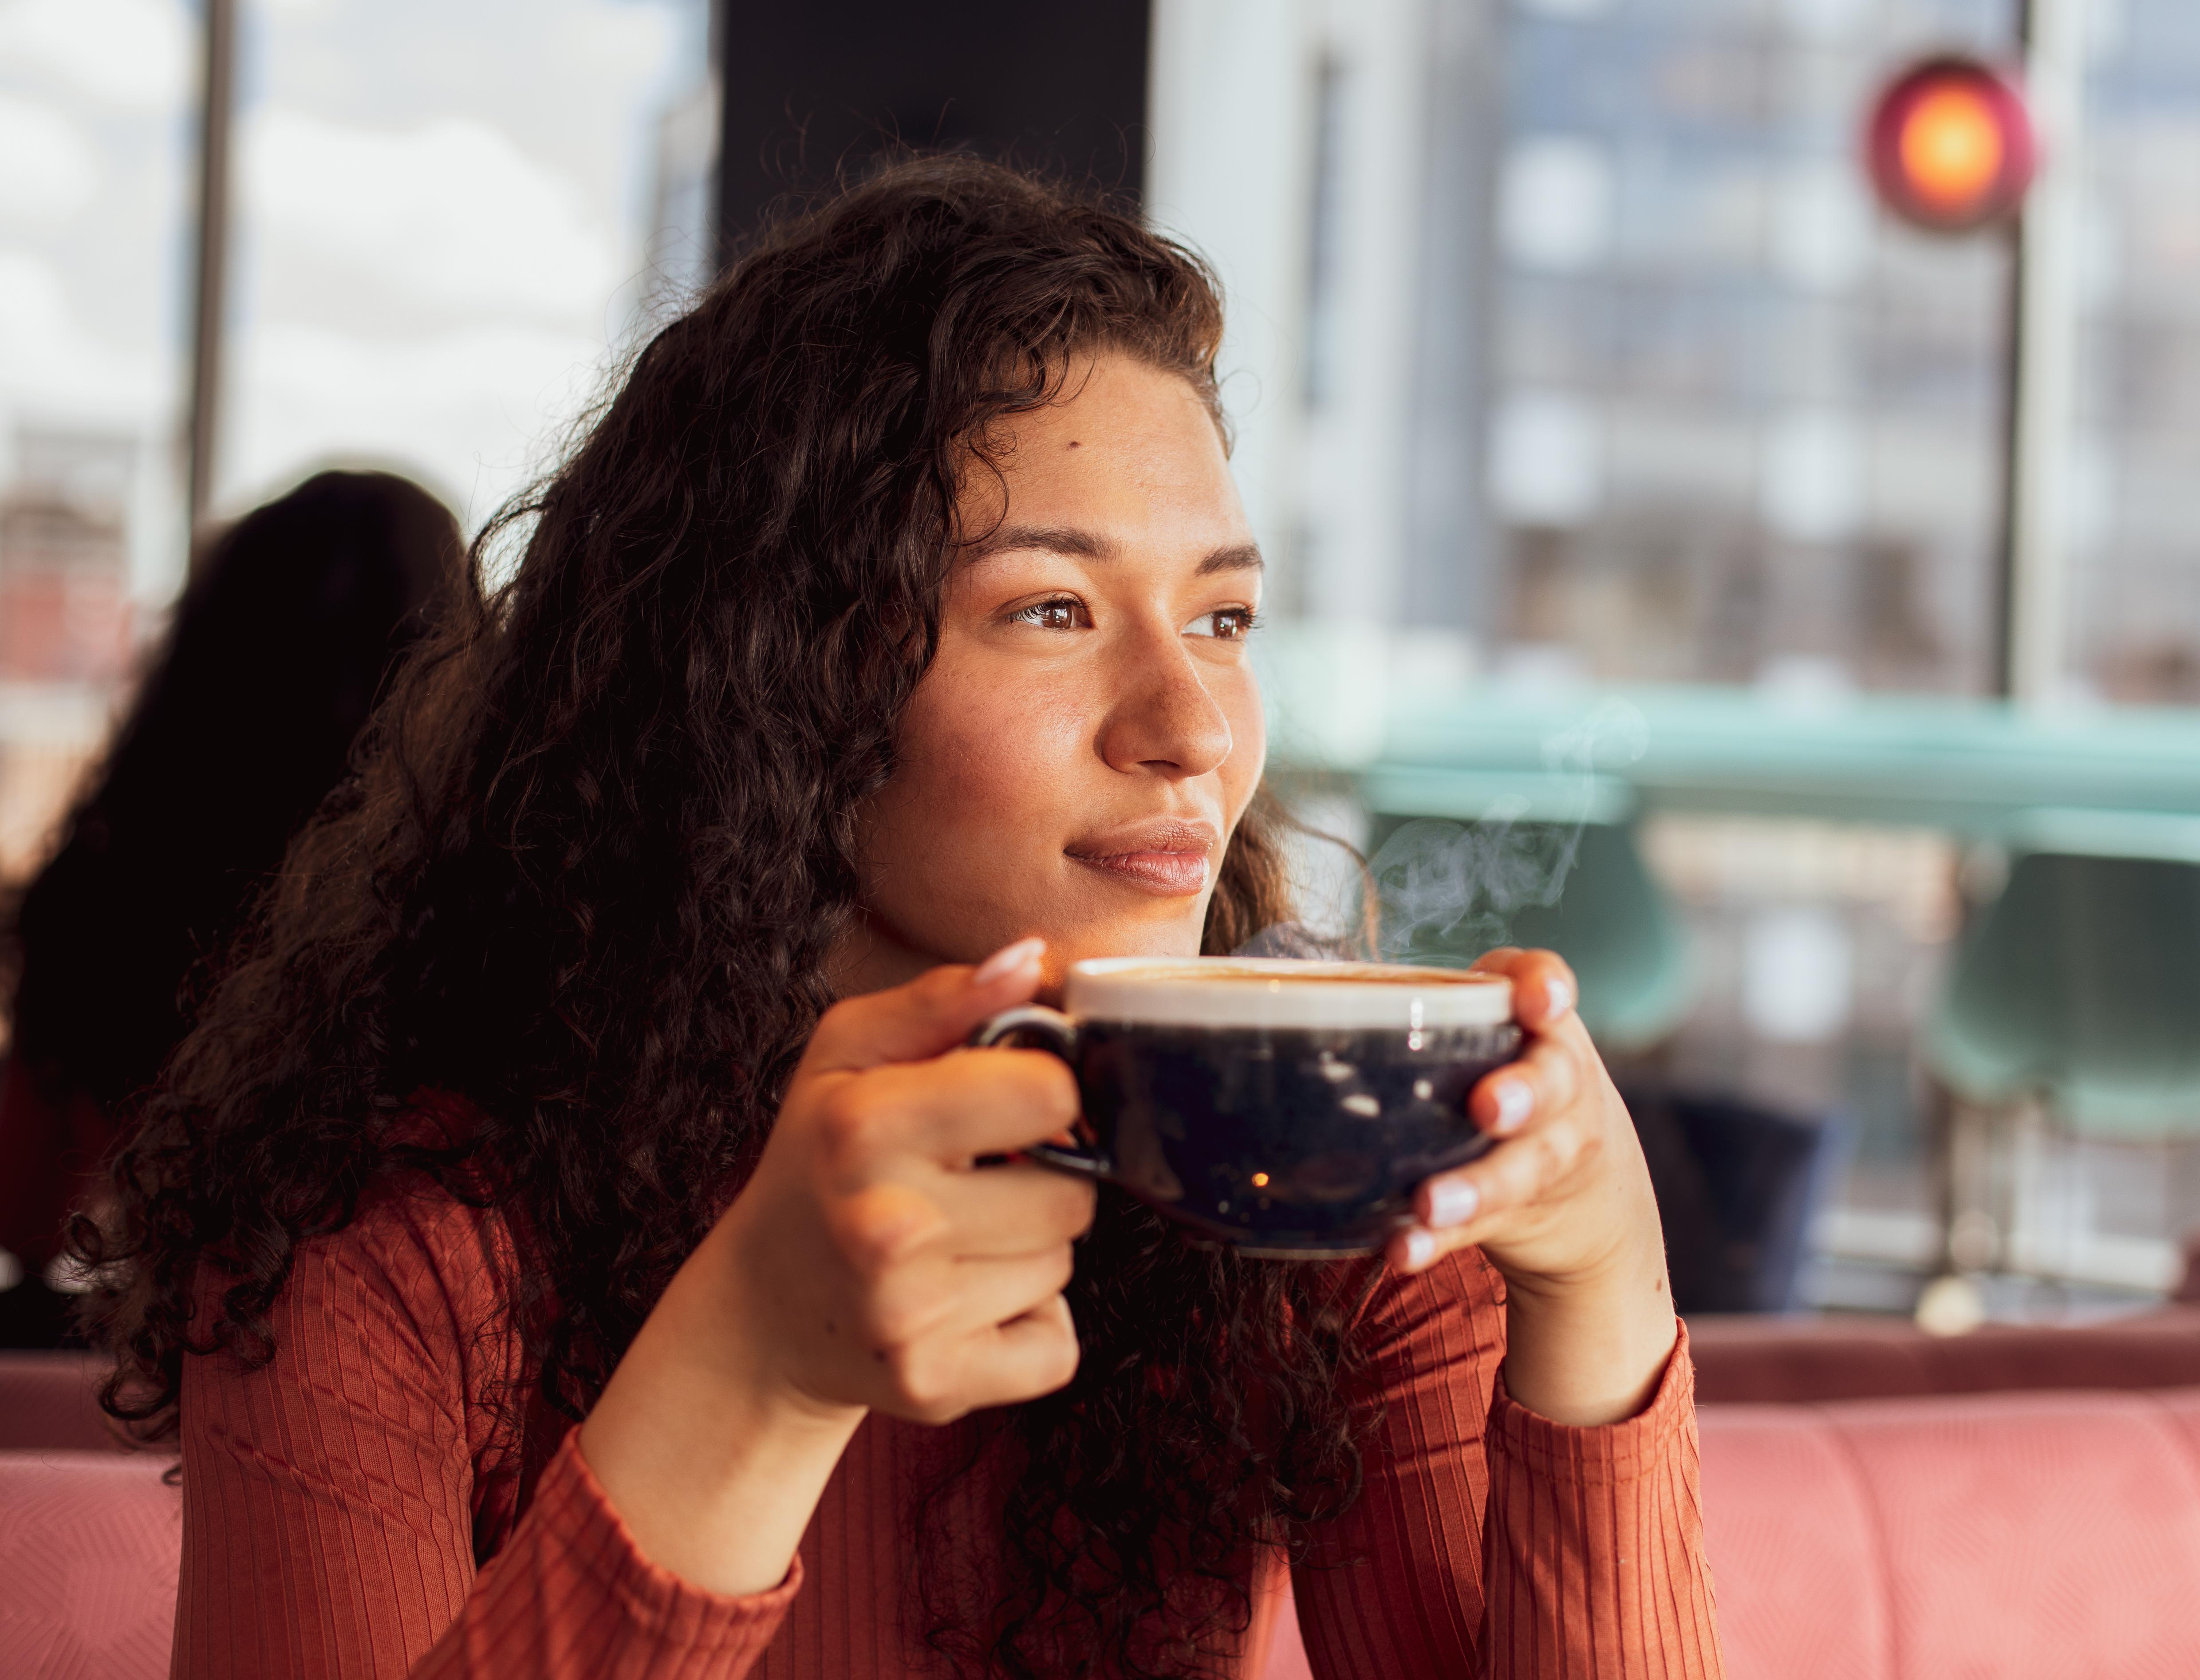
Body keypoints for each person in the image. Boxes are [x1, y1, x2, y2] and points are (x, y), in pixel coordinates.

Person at [88, 159, 1715, 1677]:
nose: (1196, 728)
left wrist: (1605, 1301)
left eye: (1223, 615)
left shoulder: (1301, 1204)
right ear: (772, 669)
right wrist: (756, 1370)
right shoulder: (389, 1250)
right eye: (1052, 611)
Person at [0, 470, 460, 1346]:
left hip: (133, 1408)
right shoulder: (479, 920)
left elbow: (18, 1217)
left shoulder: (106, 892)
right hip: (399, 1398)